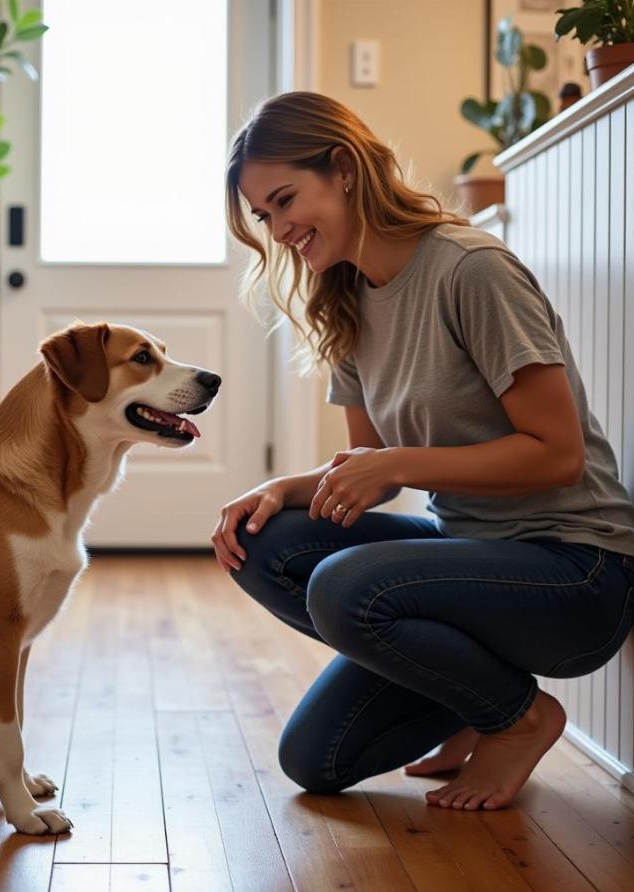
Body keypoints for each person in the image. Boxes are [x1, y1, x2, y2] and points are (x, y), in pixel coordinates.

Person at [213, 91, 634, 812]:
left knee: (344, 587)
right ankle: (478, 695)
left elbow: (557, 455)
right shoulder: (345, 297)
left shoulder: (471, 269)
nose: (280, 230)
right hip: (471, 554)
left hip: (576, 571)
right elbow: (366, 472)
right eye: (264, 216)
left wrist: (399, 465)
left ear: (343, 168)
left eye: (285, 201)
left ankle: (520, 718)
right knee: (310, 743)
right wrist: (283, 490)